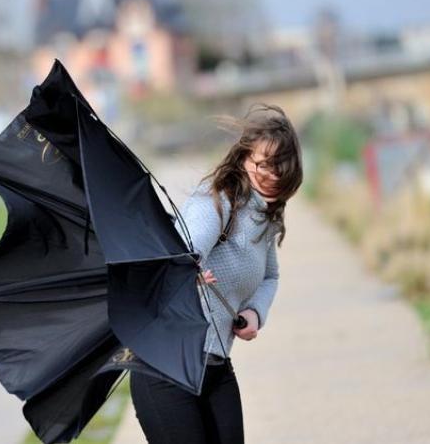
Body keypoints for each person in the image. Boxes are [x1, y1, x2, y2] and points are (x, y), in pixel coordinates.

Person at [129, 103, 303, 444]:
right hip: (165, 369)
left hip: (215, 365)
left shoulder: (264, 220)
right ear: (244, 160)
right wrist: (186, 271)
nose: (273, 173)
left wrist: (254, 312)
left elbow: (270, 277)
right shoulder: (217, 204)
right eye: (264, 164)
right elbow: (181, 253)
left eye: (281, 165)